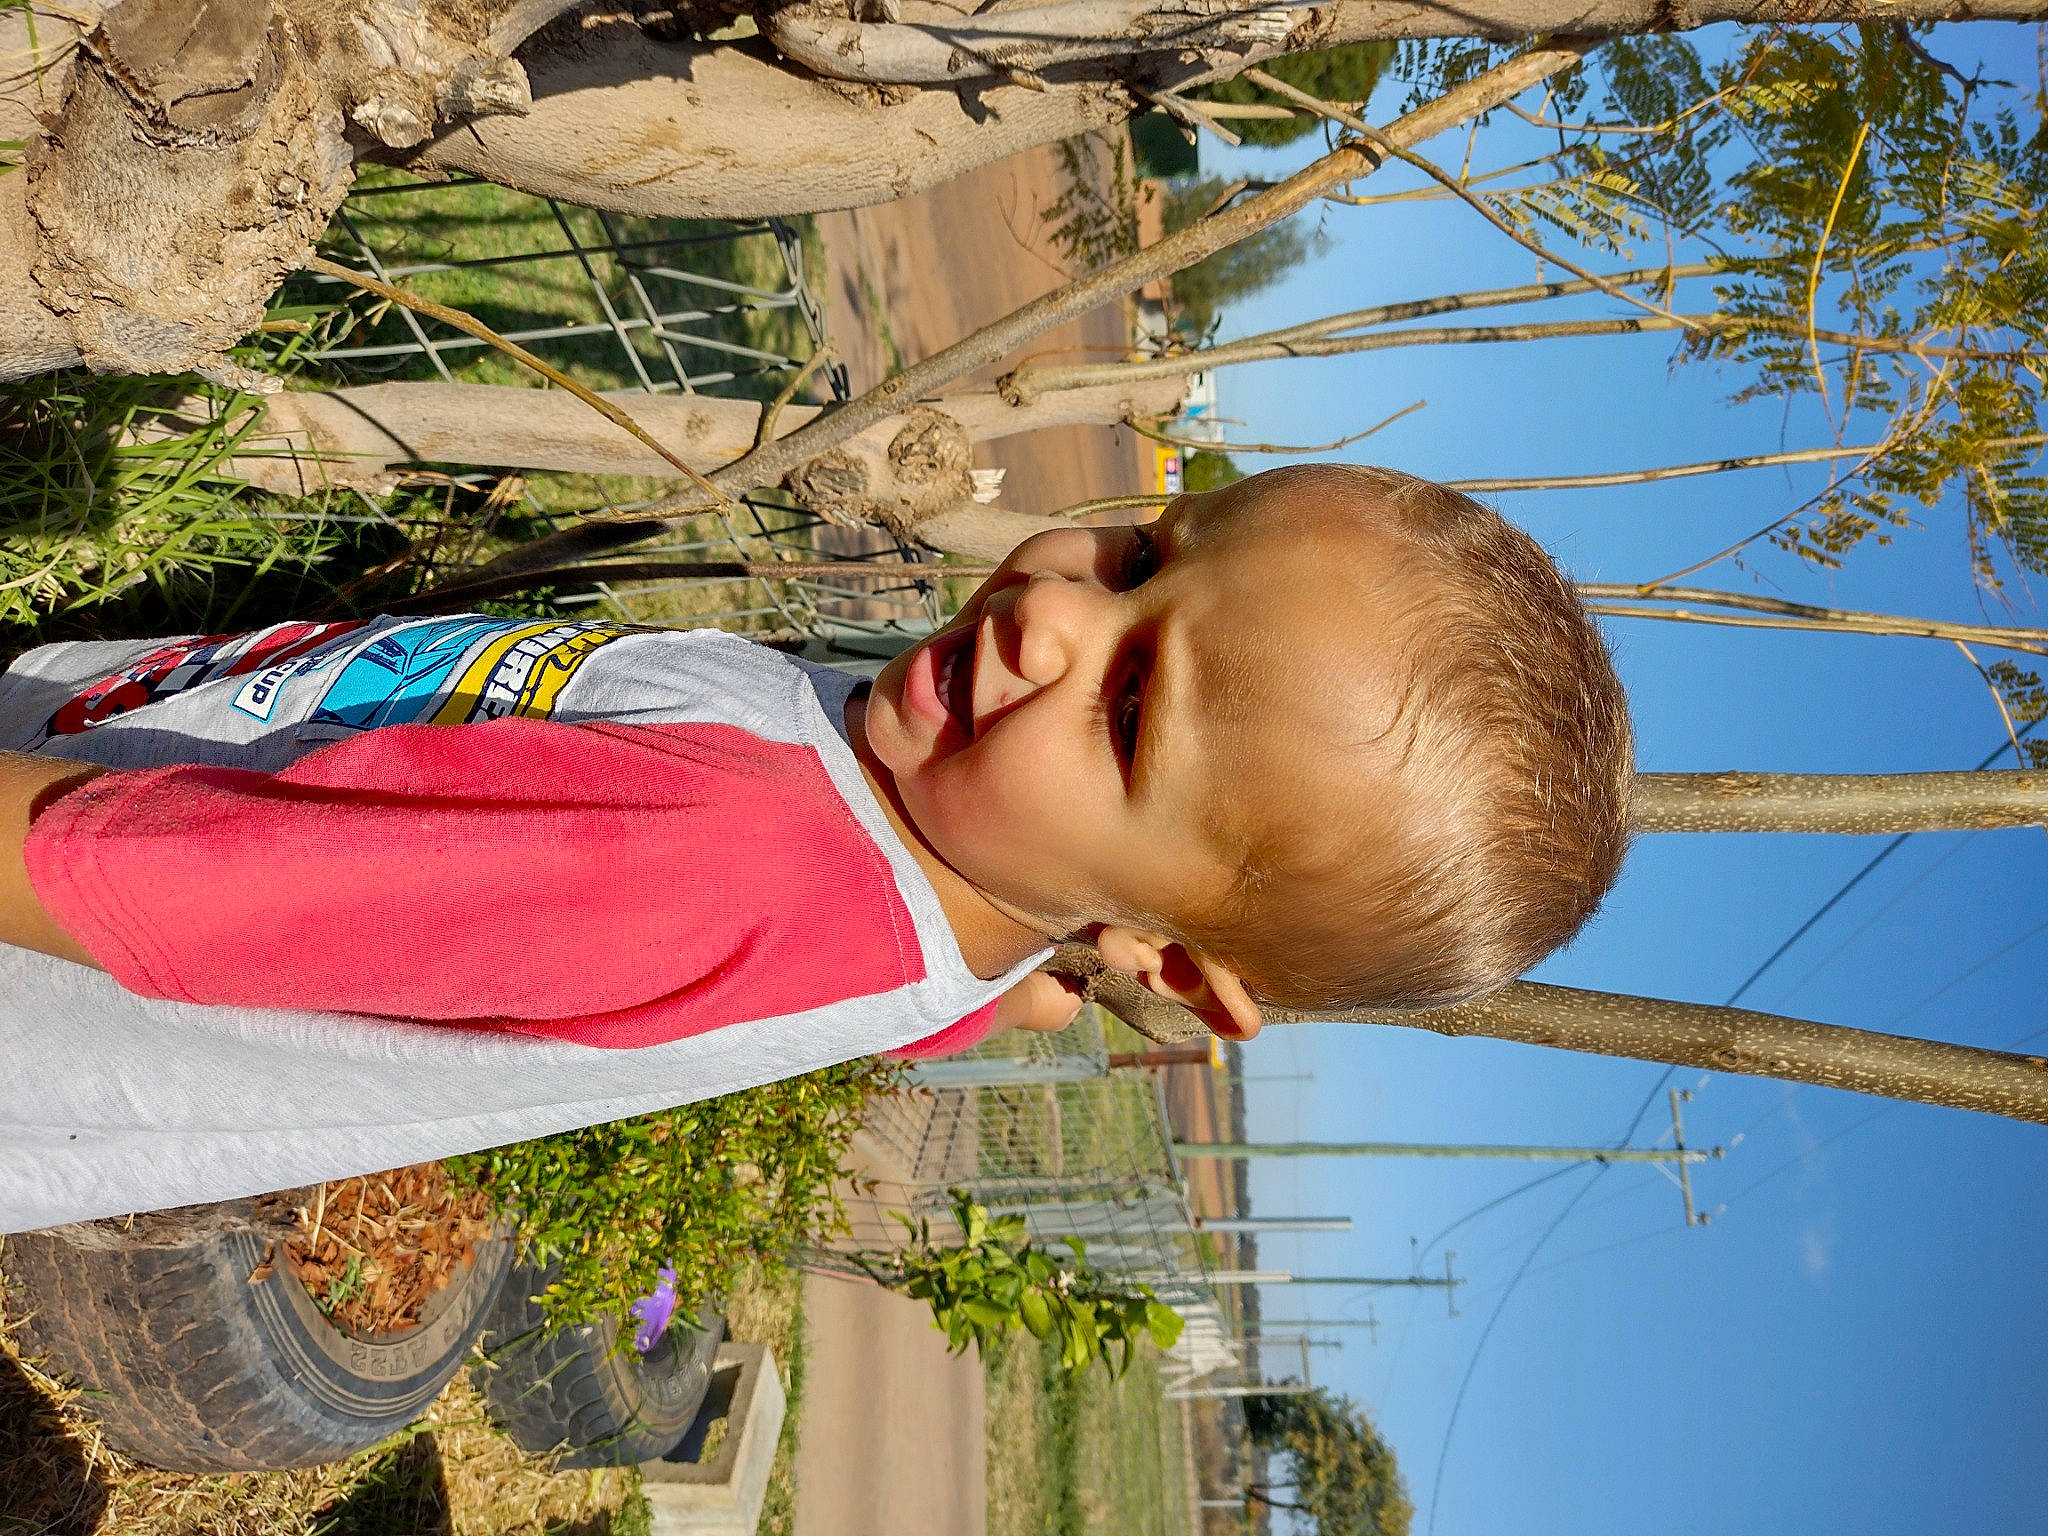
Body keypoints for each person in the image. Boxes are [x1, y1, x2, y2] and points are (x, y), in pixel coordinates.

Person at [0, 464, 1631, 1231]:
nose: (1052, 609)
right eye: (1146, 550)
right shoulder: (929, 890)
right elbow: (978, 991)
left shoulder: (735, 854)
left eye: (1132, 706)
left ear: (1177, 954)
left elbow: (112, 877)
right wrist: (1044, 969)